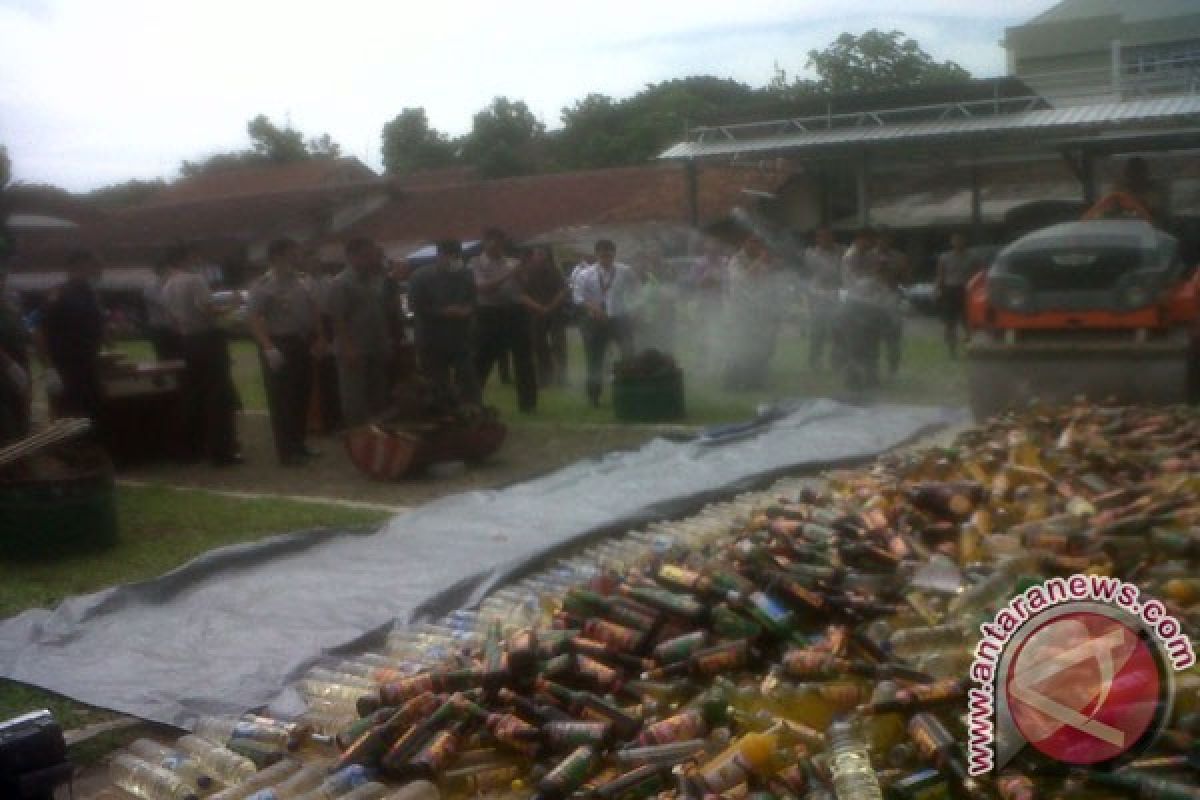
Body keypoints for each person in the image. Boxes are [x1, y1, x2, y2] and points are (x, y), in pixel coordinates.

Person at [161, 244, 242, 466]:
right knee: (219, 396)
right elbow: (207, 308)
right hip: (207, 338)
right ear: (186, 257)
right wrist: (232, 306)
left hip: (186, 340)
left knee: (193, 394)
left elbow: (171, 319)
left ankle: (191, 448)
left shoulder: (167, 284)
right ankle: (222, 452)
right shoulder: (194, 279)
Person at [247, 238, 324, 466]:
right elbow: (253, 318)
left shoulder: (302, 281)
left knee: (302, 394)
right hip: (279, 343)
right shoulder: (263, 284)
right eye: (293, 253)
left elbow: (314, 309)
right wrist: (268, 347)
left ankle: (299, 444)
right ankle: (287, 451)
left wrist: (319, 336)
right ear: (278, 256)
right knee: (282, 399)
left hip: (301, 341)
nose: (297, 257)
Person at [468, 228, 541, 413]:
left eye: (499, 243)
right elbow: (483, 288)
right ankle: (471, 401)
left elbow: (523, 288)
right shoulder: (476, 263)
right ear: (485, 243)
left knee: (524, 359)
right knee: (482, 358)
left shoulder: (512, 261)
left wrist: (520, 275)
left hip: (515, 313)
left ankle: (528, 404)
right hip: (488, 313)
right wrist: (509, 274)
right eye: (492, 242)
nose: (496, 247)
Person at [37, 250, 106, 430]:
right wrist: (49, 368)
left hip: (89, 363)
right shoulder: (59, 294)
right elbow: (40, 331)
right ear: (78, 266)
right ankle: (70, 454)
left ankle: (90, 452)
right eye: (95, 266)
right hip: (67, 365)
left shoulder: (91, 294)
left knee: (91, 413)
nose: (99, 272)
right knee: (69, 416)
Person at [408, 239, 480, 411]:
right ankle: (443, 416)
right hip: (431, 338)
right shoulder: (420, 276)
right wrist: (443, 312)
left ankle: (473, 414)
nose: (452, 260)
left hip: (461, 338)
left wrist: (467, 310)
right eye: (448, 256)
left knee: (468, 378)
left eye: (456, 256)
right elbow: (415, 306)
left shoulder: (466, 274)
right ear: (439, 255)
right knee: (437, 383)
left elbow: (473, 300)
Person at [327, 238, 392, 427]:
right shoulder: (341, 283)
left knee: (378, 394)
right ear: (351, 257)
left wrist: (385, 341)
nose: (371, 259)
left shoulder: (374, 280)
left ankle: (377, 437)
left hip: (375, 346)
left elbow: (379, 313)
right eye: (366, 256)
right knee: (354, 398)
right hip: (354, 348)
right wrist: (348, 348)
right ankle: (357, 438)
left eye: (372, 255)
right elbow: (337, 319)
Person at [574, 239, 637, 406]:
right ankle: (594, 397)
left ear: (614, 254)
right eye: (602, 254)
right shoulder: (585, 274)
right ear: (596, 255)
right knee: (595, 359)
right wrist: (593, 307)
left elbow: (634, 292)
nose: (606, 257)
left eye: (609, 254)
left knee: (628, 354)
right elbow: (578, 297)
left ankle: (629, 391)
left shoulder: (626, 271)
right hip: (594, 320)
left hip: (619, 318)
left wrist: (632, 310)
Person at [723, 236, 784, 390]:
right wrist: (760, 262)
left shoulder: (762, 262)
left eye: (758, 243)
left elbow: (768, 285)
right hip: (740, 312)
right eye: (753, 242)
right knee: (740, 348)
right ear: (745, 243)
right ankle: (733, 383)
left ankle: (756, 381)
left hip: (759, 311)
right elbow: (742, 279)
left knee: (761, 348)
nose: (756, 246)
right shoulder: (736, 261)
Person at [522, 245, 569, 387]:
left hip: (555, 313)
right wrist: (538, 307)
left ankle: (562, 379)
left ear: (548, 256)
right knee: (539, 346)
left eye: (542, 254)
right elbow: (522, 294)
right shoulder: (527, 272)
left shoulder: (555, 271)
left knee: (559, 345)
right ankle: (544, 379)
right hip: (535, 314)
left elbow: (563, 291)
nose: (539, 257)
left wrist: (550, 307)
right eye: (537, 254)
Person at [803, 226, 843, 371]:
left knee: (838, 332)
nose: (825, 240)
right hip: (817, 295)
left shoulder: (841, 252)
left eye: (828, 236)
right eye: (821, 237)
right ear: (817, 239)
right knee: (817, 332)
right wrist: (808, 297)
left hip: (836, 294)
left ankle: (837, 362)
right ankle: (815, 362)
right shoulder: (810, 253)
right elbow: (806, 275)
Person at [872, 228, 909, 377]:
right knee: (871, 335)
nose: (884, 242)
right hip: (872, 299)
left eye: (887, 239)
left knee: (893, 336)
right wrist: (877, 269)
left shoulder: (899, 257)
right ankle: (871, 367)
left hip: (892, 298)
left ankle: (893, 369)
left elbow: (906, 280)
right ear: (876, 240)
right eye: (881, 238)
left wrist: (899, 271)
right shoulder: (869, 256)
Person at [0, 267, 31, 445]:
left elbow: (23, 340)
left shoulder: (11, 309)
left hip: (18, 375)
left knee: (21, 425)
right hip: (5, 375)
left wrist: (24, 378)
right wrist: (9, 365)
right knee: (6, 431)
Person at [935, 232, 976, 359]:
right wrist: (937, 289)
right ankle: (952, 351)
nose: (958, 243)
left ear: (965, 241)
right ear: (951, 242)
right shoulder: (944, 257)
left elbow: (977, 275)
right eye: (955, 240)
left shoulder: (972, 257)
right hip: (950, 290)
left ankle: (970, 349)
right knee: (950, 323)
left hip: (966, 290)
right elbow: (940, 275)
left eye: (960, 240)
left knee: (967, 322)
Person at [143, 259, 181, 361]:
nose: (172, 274)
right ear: (161, 271)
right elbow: (164, 303)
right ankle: (158, 376)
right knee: (162, 357)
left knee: (177, 357)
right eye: (169, 271)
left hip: (173, 327)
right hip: (159, 327)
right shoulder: (150, 287)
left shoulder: (173, 286)